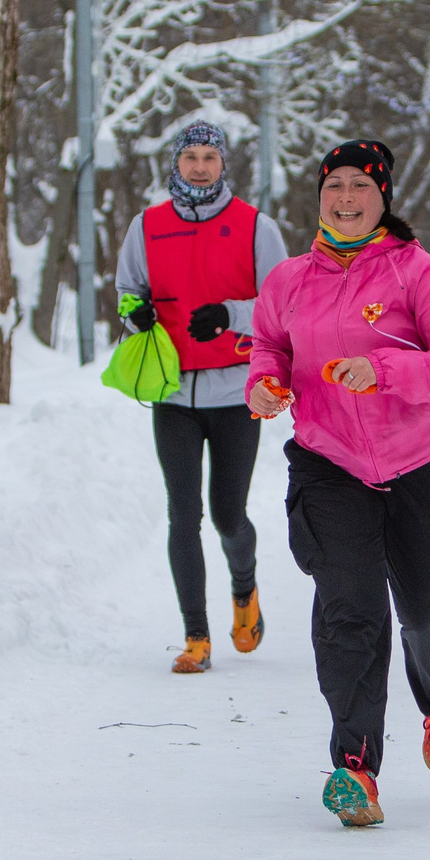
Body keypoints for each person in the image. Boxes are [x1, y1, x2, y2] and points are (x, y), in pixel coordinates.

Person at [246, 140, 430, 827]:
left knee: (424, 609)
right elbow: (270, 346)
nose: (345, 199)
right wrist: (263, 385)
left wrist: (385, 372)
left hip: (423, 461)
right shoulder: (289, 279)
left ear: (383, 199)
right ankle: (355, 769)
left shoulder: (420, 275)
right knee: (349, 611)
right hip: (330, 462)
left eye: (359, 187)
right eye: (334, 187)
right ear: (319, 196)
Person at [117, 121, 288, 674]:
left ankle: (245, 589)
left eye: (208, 156)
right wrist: (134, 315)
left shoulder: (255, 226)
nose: (198, 166)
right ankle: (196, 638)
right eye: (189, 156)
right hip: (171, 391)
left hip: (238, 391)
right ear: (176, 162)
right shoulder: (146, 226)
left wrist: (231, 315)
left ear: (223, 164)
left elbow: (283, 305)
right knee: (182, 514)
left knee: (227, 515)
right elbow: (125, 293)